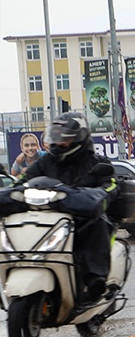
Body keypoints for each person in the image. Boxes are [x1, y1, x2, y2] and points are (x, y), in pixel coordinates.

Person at [16, 113, 119, 312]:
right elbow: (20, 183)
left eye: (65, 138)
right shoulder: (44, 163)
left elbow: (110, 186)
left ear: (79, 138)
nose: (58, 142)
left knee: (98, 221)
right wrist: (10, 194)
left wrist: (98, 196)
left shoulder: (96, 162)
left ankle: (95, 278)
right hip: (49, 218)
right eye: (55, 137)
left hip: (82, 220)